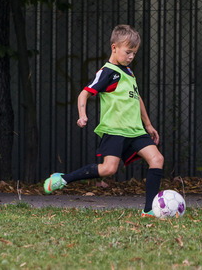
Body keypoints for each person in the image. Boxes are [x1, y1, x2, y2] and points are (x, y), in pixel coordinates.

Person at [44, 24, 163, 217]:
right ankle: (63, 179)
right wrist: (82, 115)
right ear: (114, 47)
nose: (131, 56)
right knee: (108, 169)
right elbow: (84, 94)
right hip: (115, 130)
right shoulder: (108, 72)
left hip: (136, 131)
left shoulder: (129, 72)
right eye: (128, 52)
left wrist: (148, 125)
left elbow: (137, 97)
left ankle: (149, 210)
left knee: (157, 159)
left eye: (134, 53)